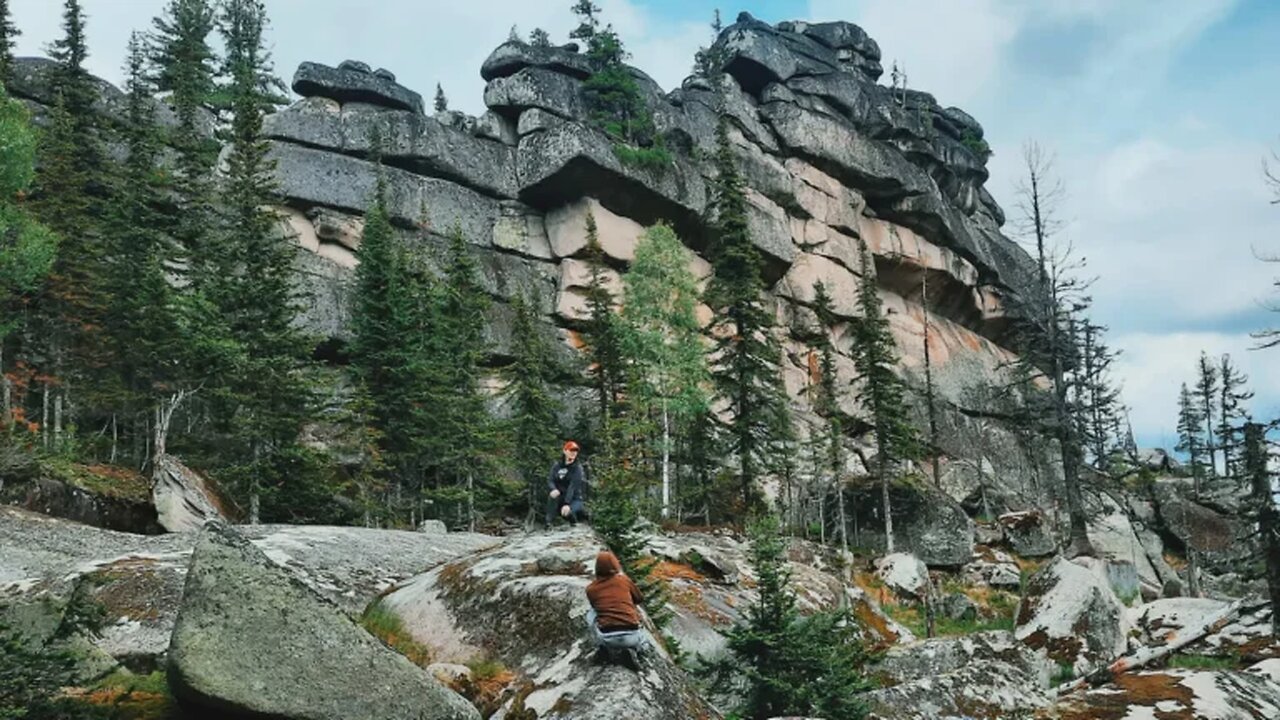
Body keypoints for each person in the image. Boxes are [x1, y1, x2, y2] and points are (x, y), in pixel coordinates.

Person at [585, 549, 648, 669]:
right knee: (645, 639)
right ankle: (636, 650)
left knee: (591, 613)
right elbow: (639, 598)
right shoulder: (623, 580)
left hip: (607, 637)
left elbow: (596, 608)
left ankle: (603, 649)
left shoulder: (591, 589)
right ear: (615, 565)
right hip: (632, 635)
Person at [546, 440, 587, 527]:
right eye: (571, 450)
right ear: (565, 451)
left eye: (575, 451)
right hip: (560, 496)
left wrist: (567, 504)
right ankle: (548, 523)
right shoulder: (557, 466)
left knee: (568, 513)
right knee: (552, 496)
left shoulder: (577, 468)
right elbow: (550, 480)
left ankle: (575, 524)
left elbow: (573, 487)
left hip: (575, 499)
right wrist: (553, 489)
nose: (573, 453)